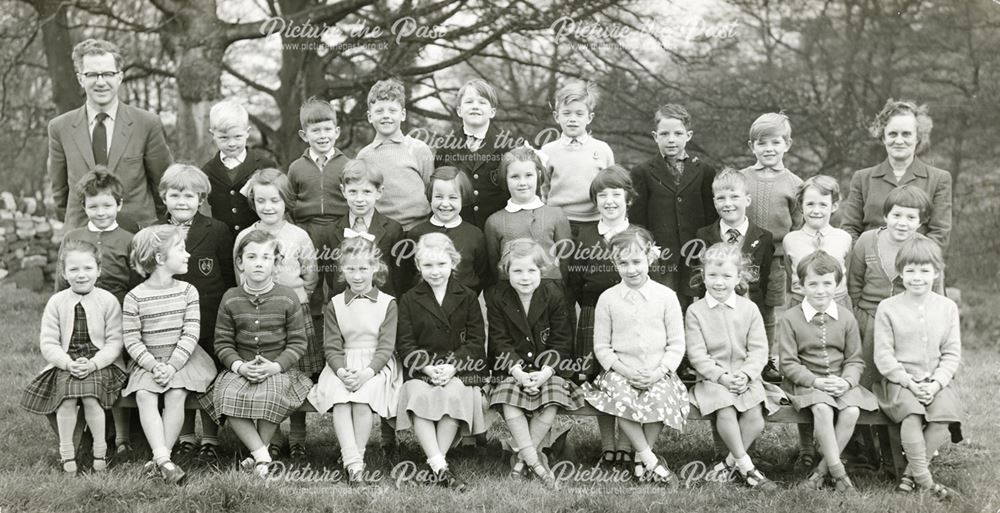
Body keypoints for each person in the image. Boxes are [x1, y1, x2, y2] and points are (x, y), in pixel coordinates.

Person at [199, 229, 312, 478]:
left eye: (265, 257)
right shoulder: (231, 298)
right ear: (240, 263)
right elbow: (223, 342)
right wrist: (239, 365)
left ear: (276, 263)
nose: (258, 263)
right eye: (251, 257)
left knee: (271, 394)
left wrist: (276, 366)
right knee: (226, 395)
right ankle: (262, 455)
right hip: (241, 366)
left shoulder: (288, 296)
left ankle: (255, 454)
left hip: (278, 369)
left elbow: (297, 342)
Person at [582, 227, 689, 486]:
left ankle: (642, 457)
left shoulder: (666, 297)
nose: (631, 269)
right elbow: (602, 347)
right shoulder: (608, 299)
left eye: (637, 261)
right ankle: (650, 461)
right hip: (620, 371)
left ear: (650, 258)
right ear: (614, 263)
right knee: (621, 399)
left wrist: (658, 371)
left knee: (662, 398)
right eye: (623, 263)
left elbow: (676, 344)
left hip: (657, 370)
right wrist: (625, 371)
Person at [20, 240, 127, 474]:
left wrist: (94, 363)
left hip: (101, 362)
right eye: (74, 269)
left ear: (98, 270)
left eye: (88, 268)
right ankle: (67, 453)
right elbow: (48, 342)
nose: (81, 275)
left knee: (90, 396)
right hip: (66, 362)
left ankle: (100, 451)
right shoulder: (57, 302)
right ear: (64, 273)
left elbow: (115, 342)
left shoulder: (108, 301)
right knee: (66, 399)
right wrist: (67, 363)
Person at [122, 225, 218, 484]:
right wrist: (153, 366)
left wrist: (173, 366)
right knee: (145, 394)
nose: (188, 255)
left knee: (176, 393)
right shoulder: (135, 297)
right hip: (149, 360)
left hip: (184, 359)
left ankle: (158, 460)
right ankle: (164, 458)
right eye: (181, 249)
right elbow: (132, 339)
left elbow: (190, 333)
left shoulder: (188, 291)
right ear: (160, 258)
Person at [235, 168, 320, 460]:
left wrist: (299, 299)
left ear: (286, 201)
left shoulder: (298, 235)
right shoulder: (246, 236)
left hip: (295, 311)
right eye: (261, 201)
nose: (268, 207)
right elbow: (240, 276)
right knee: (266, 374)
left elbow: (311, 274)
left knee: (294, 373)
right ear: (253, 203)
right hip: (259, 314)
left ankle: (297, 434)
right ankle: (274, 437)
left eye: (275, 200)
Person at [395, 233, 490, 491]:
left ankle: (435, 464)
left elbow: (475, 341)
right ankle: (440, 466)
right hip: (421, 367)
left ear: (453, 263)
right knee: (417, 395)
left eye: (441, 264)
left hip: (457, 368)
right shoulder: (409, 299)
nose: (435, 271)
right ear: (418, 266)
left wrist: (453, 366)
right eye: (428, 265)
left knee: (456, 394)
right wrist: (425, 366)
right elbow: (405, 343)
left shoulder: (468, 296)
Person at [155, 164, 236, 464]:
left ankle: (211, 437)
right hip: (169, 321)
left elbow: (228, 278)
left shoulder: (216, 231)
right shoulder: (154, 231)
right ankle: (186, 436)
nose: (182, 202)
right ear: (164, 197)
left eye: (189, 196)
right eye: (175, 195)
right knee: (179, 375)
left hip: (208, 320)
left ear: (201, 199)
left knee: (208, 375)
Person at [487, 238, 584, 487]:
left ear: (541, 270)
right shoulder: (498, 297)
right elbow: (500, 341)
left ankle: (521, 459)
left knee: (553, 397)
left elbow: (562, 341)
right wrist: (518, 373)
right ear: (506, 272)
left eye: (531, 270)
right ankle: (536, 464)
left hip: (548, 370)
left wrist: (544, 373)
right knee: (509, 397)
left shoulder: (554, 295)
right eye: (517, 271)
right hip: (513, 368)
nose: (525, 277)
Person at [48, 38, 172, 232]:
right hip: (82, 241)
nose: (101, 82)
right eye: (92, 75)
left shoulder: (146, 124)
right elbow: (60, 193)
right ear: (80, 78)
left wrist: (153, 233)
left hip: (136, 238)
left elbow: (163, 186)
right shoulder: (59, 128)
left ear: (119, 77)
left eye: (107, 74)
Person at [778, 250, 877, 493]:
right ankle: (840, 474)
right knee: (822, 407)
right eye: (813, 284)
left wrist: (846, 382)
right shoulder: (791, 318)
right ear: (801, 286)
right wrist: (816, 382)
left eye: (827, 283)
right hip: (806, 383)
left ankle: (821, 473)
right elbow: (788, 364)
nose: (820, 290)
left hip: (840, 381)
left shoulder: (846, 317)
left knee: (852, 410)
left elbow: (855, 360)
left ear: (837, 284)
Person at [873, 238, 962, 500]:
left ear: (936, 272)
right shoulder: (888, 308)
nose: (917, 277)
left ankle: (911, 474)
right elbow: (884, 355)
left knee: (943, 417)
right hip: (900, 382)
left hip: (935, 379)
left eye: (925, 271)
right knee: (912, 414)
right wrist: (910, 383)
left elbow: (951, 353)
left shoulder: (947, 307)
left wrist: (935, 384)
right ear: (901, 272)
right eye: (910, 270)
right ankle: (925, 480)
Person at [308, 237, 402, 483]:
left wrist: (367, 373)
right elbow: (331, 345)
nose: (357, 275)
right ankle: (355, 465)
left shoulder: (387, 303)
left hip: (376, 366)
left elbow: (386, 346)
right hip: (343, 363)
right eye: (350, 269)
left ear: (375, 268)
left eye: (363, 268)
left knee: (361, 402)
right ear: (342, 271)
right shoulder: (336, 304)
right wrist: (341, 372)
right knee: (341, 400)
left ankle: (353, 462)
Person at [685, 242, 778, 490]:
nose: (719, 282)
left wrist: (746, 375)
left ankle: (727, 465)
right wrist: (721, 377)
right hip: (712, 380)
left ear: (738, 277)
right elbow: (697, 355)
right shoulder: (696, 311)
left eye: (726, 276)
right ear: (703, 276)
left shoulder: (749, 309)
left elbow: (759, 350)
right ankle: (748, 468)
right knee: (725, 410)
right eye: (712, 275)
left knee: (755, 419)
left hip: (746, 377)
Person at [630, 103, 717, 307]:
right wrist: (647, 249)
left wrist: (708, 249)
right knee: (664, 304)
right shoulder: (642, 172)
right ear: (655, 136)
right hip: (662, 255)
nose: (671, 139)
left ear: (689, 135)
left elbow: (711, 217)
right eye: (664, 134)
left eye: (678, 133)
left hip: (695, 253)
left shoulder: (704, 171)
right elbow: (637, 219)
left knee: (696, 306)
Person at [738, 113, 803, 379]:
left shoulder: (794, 183)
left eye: (775, 142)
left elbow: (798, 224)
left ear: (787, 144)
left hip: (775, 258)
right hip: (742, 257)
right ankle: (741, 357)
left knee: (768, 309)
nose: (769, 149)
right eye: (762, 143)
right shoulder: (741, 178)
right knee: (741, 306)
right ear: (751, 146)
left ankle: (765, 360)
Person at [840, 99, 952, 250]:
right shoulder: (862, 178)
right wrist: (870, 262)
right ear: (883, 137)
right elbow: (849, 230)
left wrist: (912, 264)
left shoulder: (939, 179)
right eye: (893, 134)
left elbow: (939, 234)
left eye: (906, 134)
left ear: (918, 137)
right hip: (870, 269)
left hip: (916, 268)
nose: (899, 141)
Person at [433, 79, 515, 230]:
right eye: (469, 102)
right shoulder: (445, 147)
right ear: (459, 111)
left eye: (482, 102)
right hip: (457, 229)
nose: (475, 106)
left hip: (496, 229)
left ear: (492, 112)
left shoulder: (507, 147)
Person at [539, 80, 615, 239]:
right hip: (558, 222)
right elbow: (543, 190)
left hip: (595, 223)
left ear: (589, 117)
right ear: (556, 116)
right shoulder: (548, 151)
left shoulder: (602, 150)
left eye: (579, 114)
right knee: (562, 263)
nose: (572, 119)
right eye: (566, 113)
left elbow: (611, 188)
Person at [355, 79, 434, 231]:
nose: (386, 116)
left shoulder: (418, 149)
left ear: (402, 114)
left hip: (419, 228)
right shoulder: (364, 156)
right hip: (381, 230)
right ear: (370, 116)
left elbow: (431, 191)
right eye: (379, 111)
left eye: (392, 111)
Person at [403, 167, 490, 294]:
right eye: (438, 196)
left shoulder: (475, 235)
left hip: (464, 305)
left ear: (463, 198)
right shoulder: (416, 233)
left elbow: (481, 274)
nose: (445, 203)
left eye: (453, 197)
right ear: (430, 197)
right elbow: (409, 274)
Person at [202, 100, 277, 240]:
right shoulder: (207, 171)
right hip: (223, 244)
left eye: (237, 137)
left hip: (259, 242)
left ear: (247, 132)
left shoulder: (265, 165)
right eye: (224, 138)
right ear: (213, 135)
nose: (231, 143)